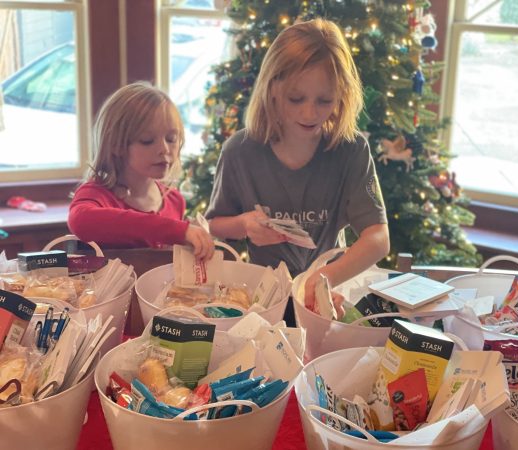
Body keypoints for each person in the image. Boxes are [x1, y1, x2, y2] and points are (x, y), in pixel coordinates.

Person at [205, 18, 390, 313]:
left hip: (329, 295)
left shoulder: (351, 150)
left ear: (341, 94)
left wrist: (322, 278)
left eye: (324, 100)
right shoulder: (240, 151)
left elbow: (378, 239)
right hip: (264, 300)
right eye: (296, 98)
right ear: (272, 88)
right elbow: (214, 225)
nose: (309, 112)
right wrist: (245, 225)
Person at [68, 81, 214, 259]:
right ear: (116, 145)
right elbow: (81, 221)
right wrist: (174, 229)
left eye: (171, 138)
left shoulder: (174, 201)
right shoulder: (98, 194)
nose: (164, 149)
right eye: (147, 140)